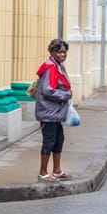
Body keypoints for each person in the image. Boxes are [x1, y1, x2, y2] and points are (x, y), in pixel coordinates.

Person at [35, 39, 73, 182]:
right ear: (52, 52)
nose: (62, 54)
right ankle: (43, 172)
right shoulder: (51, 68)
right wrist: (66, 95)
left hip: (56, 113)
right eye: (59, 52)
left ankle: (56, 170)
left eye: (64, 52)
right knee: (49, 142)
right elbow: (48, 90)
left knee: (59, 140)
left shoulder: (58, 66)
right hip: (48, 113)